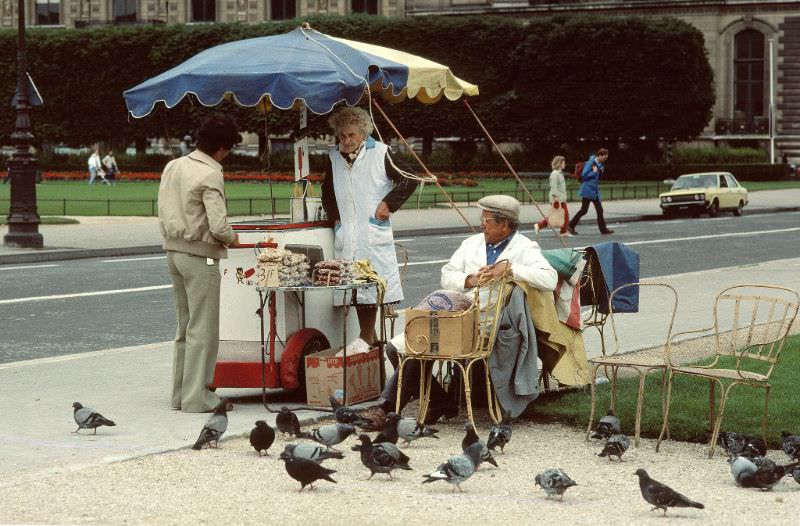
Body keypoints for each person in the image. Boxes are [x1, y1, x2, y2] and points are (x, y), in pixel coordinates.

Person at [379, 195, 558, 422]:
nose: (482, 224)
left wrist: (510, 269)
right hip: (454, 315)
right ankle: (438, 399)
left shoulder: (524, 247)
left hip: (485, 326)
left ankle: (385, 408)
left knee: (418, 345)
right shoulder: (471, 243)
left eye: (487, 220)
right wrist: (469, 279)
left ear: (504, 224)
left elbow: (549, 278)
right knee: (396, 349)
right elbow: (447, 274)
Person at [158, 113, 242, 413]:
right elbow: (218, 226)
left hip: (174, 252)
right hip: (201, 254)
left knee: (185, 326)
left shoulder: (174, 166)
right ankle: (199, 397)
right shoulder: (210, 173)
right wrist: (233, 239)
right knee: (204, 328)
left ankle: (180, 394)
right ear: (222, 147)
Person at [321, 106, 418, 345]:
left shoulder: (381, 153)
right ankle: (370, 338)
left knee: (371, 283)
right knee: (353, 285)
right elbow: (328, 192)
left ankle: (367, 337)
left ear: (364, 134)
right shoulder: (333, 157)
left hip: (372, 230)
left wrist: (388, 204)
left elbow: (410, 178)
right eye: (342, 136)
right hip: (349, 231)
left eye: (351, 135)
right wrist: (336, 218)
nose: (346, 140)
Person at [567, 148, 613, 235]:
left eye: (606, 158)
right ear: (599, 155)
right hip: (587, 190)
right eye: (604, 158)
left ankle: (571, 226)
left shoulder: (599, 165)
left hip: (594, 191)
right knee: (586, 210)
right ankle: (571, 225)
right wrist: (594, 172)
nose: (605, 160)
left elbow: (597, 177)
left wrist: (600, 170)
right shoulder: (590, 163)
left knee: (594, 210)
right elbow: (584, 176)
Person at [534, 155, 570, 236]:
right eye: (563, 162)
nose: (565, 164)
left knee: (557, 216)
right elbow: (553, 186)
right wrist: (556, 197)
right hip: (557, 198)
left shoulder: (560, 173)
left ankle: (540, 225)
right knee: (564, 215)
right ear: (559, 163)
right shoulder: (555, 174)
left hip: (561, 198)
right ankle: (563, 231)